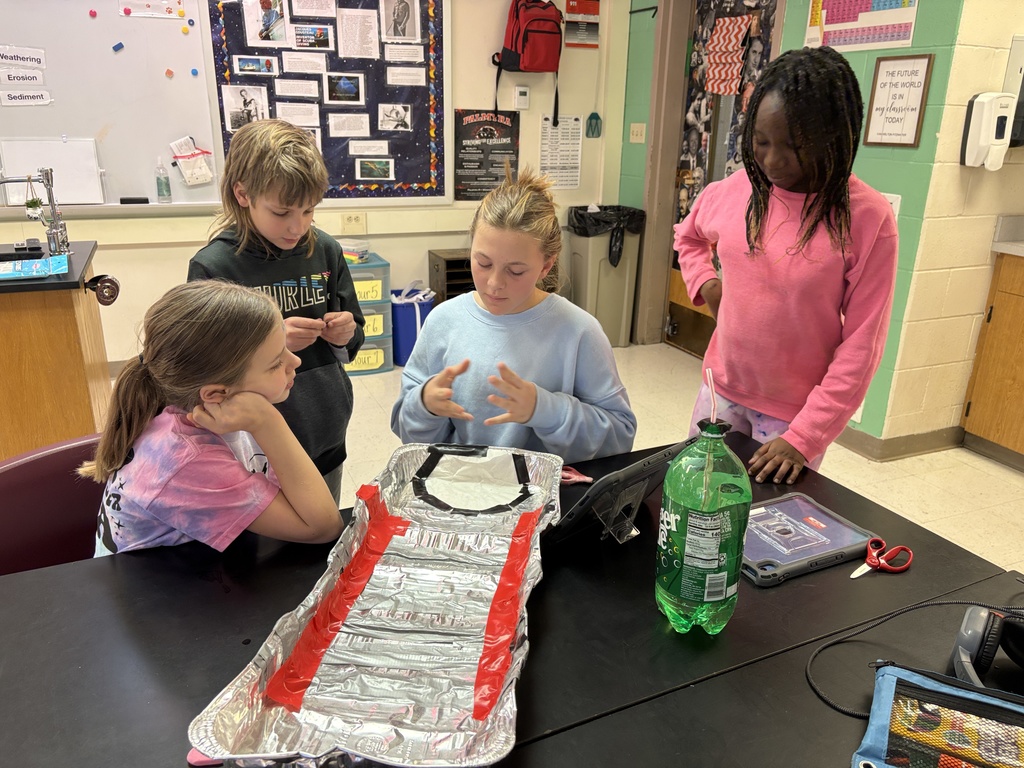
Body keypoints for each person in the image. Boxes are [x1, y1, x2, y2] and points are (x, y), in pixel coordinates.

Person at [674, 46, 898, 485]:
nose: (773, 161)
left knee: (764, 531)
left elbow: (862, 345)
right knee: (699, 509)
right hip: (720, 393)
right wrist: (708, 285)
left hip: (793, 416)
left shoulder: (868, 219)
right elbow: (689, 236)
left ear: (834, 138)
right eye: (761, 142)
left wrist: (806, 436)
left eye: (794, 147)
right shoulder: (735, 190)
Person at [391, 165, 637, 464]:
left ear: (546, 266)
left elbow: (620, 437)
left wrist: (545, 410)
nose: (494, 283)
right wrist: (424, 406)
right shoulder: (442, 322)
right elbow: (408, 433)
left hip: (545, 500)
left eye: (516, 271)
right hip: (461, 491)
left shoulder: (579, 331)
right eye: (482, 263)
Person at [80, 281, 344, 556]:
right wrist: (269, 422)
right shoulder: (185, 459)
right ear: (217, 393)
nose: (296, 362)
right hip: (157, 590)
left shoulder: (224, 406)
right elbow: (323, 528)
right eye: (276, 362)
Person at [188, 119, 365, 503]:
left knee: (319, 534)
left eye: (308, 211)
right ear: (243, 194)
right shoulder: (214, 267)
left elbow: (354, 340)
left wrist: (345, 334)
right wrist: (270, 342)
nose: (297, 227)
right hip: (252, 442)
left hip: (324, 425)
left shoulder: (326, 251)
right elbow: (203, 373)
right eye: (282, 212)